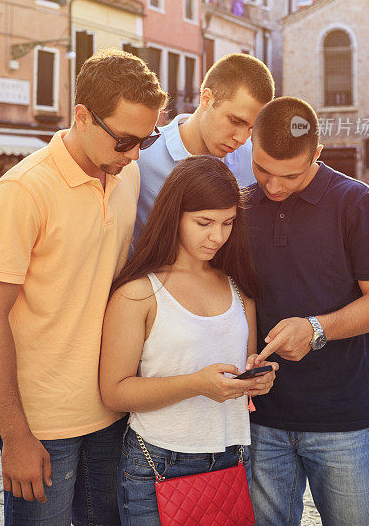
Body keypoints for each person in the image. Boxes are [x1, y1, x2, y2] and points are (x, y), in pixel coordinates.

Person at [0, 48, 167, 526]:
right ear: (82, 116)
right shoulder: (24, 190)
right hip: (42, 425)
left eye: (147, 139)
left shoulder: (128, 172)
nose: (135, 153)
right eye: (125, 140)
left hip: (111, 408)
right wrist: (15, 435)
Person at [245, 97, 369, 526]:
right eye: (262, 170)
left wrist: (316, 329)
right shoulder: (240, 206)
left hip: (342, 421)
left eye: (289, 175)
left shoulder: (356, 202)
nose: (272, 187)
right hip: (262, 422)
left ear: (316, 154)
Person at [100, 155, 277, 526]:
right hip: (157, 462)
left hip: (232, 456)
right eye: (204, 222)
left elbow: (244, 366)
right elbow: (114, 392)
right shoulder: (138, 293)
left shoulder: (238, 286)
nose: (217, 236)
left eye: (228, 223)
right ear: (174, 215)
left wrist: (256, 379)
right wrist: (196, 384)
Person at [134, 53, 275, 238]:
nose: (242, 138)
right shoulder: (140, 152)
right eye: (235, 121)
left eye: (251, 128)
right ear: (206, 98)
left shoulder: (255, 163)